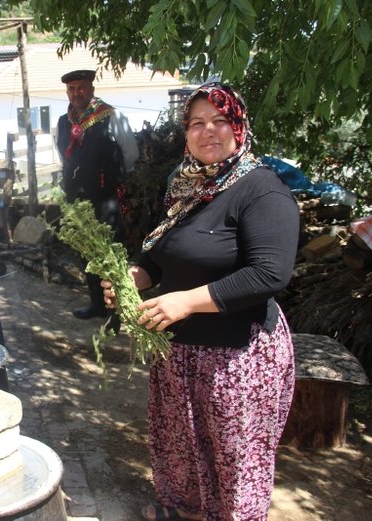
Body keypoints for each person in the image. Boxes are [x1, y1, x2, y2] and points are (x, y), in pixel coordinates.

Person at [103, 82, 299, 521]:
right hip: (180, 349)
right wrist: (133, 277)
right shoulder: (188, 184)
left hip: (238, 357)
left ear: (239, 127)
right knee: (180, 444)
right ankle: (184, 511)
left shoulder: (262, 189)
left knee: (232, 459)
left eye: (219, 120)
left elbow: (270, 273)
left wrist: (187, 301)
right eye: (196, 123)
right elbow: (162, 255)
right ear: (186, 132)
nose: (207, 131)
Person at [55, 69, 139, 320]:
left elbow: (130, 154)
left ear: (91, 88)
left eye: (81, 87)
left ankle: (119, 309)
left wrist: (107, 176)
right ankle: (97, 305)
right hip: (76, 198)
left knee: (110, 250)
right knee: (86, 250)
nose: (76, 93)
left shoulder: (112, 116)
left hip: (106, 198)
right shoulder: (63, 122)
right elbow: (64, 158)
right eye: (71, 89)